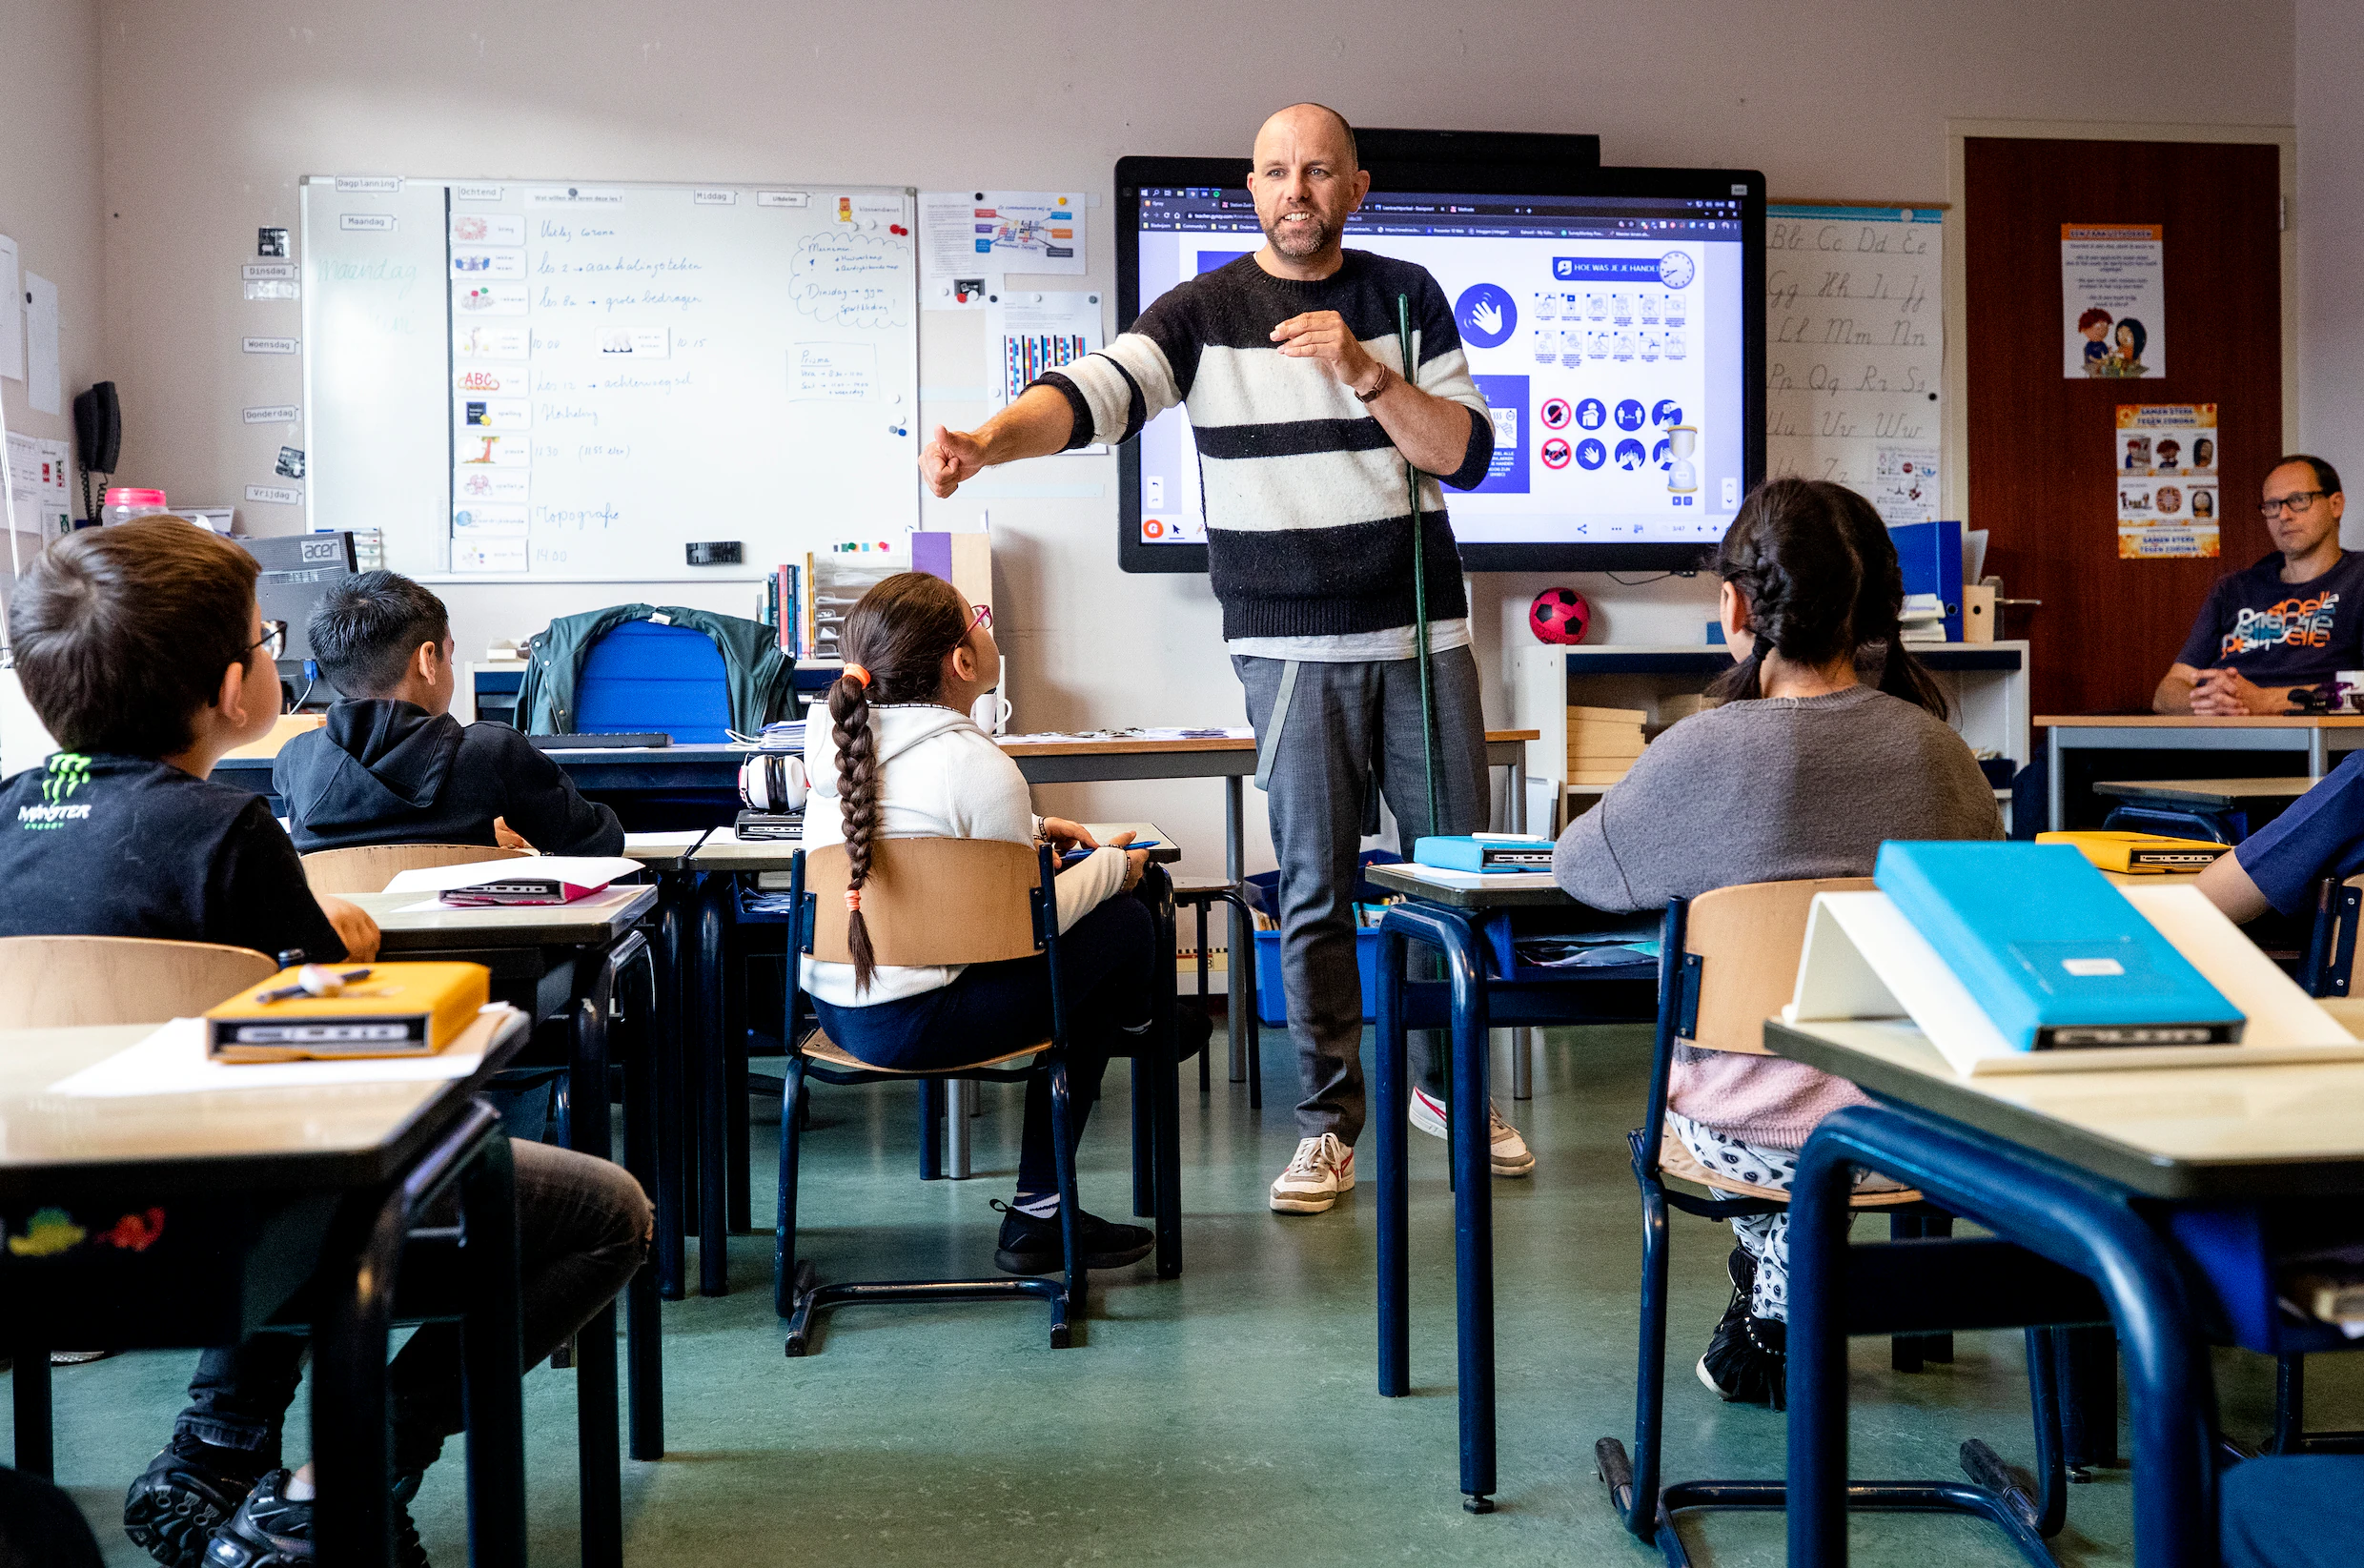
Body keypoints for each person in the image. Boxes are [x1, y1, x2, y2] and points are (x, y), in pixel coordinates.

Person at [0, 520, 649, 1568]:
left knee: (259, 1169)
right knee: (601, 1214)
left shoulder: (6, 817)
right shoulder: (224, 832)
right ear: (227, 689)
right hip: (233, 1233)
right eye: (264, 642)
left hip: (43, 1241)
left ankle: (216, 1442)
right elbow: (336, 1057)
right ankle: (333, 1480)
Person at [920, 102, 1530, 1215]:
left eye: (1316, 172)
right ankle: (1326, 1127)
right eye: (1272, 173)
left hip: (1421, 638)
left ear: (1355, 187)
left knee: (1453, 878)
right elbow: (1090, 399)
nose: (1294, 191)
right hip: (1287, 645)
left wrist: (1368, 375)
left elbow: (1472, 456)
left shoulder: (1405, 298)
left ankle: (1445, 1092)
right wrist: (985, 443)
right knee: (1312, 891)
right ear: (1249, 190)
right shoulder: (1203, 310)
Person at [1551, 479, 2002, 1405]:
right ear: (1874, 605)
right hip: (1914, 1135)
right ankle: (1780, 1295)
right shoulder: (1940, 753)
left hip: (1738, 1136)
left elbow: (1577, 870)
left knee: (1712, 1095)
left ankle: (1777, 1291)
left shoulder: (1697, 749)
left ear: (1735, 604)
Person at [802, 572, 1210, 1273]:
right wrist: (1115, 865)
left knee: (1100, 934)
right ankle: (1042, 1205)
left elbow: (934, 830)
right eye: (978, 619)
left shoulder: (837, 757)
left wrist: (1038, 827)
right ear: (963, 662)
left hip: (842, 1016)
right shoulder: (980, 765)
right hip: (927, 1018)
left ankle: (1140, 1022)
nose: (988, 627)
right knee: (1126, 923)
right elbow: (1028, 927)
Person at [276, 571, 623, 855]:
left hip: (353, 940)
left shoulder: (294, 760)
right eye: (450, 656)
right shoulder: (491, 751)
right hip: (482, 940)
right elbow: (597, 845)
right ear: (428, 660)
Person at [2156, 456, 2361, 716]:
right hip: (2219, 737)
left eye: (2299, 500)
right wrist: (2208, 701)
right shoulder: (2233, 589)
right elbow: (2167, 692)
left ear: (2335, 504)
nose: (2284, 516)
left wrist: (2267, 701)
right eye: (2273, 505)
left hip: (2308, 741)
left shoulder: (2358, 578)